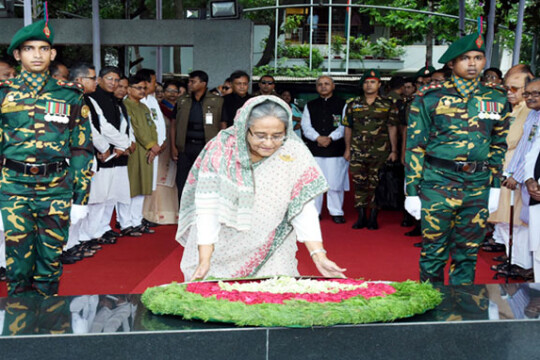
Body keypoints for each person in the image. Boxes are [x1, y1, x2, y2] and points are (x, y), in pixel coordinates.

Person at [177, 95, 346, 281]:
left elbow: (303, 206)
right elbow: (208, 209)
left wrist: (318, 255)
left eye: (277, 136)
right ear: (245, 128)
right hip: (219, 248)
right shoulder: (221, 151)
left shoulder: (293, 151)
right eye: (260, 136)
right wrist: (205, 259)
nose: (268, 143)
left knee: (273, 301)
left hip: (272, 245)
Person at [404, 32, 511, 285]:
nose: (473, 64)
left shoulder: (496, 98)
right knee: (433, 253)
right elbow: (416, 146)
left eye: (478, 57)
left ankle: (461, 312)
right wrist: (411, 190)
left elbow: (499, 144)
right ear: (452, 63)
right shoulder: (429, 97)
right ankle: (430, 310)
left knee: (467, 253)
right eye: (465, 58)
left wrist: (495, 186)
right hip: (437, 184)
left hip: (477, 185)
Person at [0, 20, 93, 295]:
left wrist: (80, 198)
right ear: (18, 55)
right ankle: (19, 332)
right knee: (17, 266)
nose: (37, 55)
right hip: (13, 187)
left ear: (52, 54)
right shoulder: (3, 94)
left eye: (43, 48)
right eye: (29, 49)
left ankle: (49, 329)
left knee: (50, 264)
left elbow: (81, 148)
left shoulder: (70, 94)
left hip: (56, 188)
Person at [487, 66, 534, 279]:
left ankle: (521, 263)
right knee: (506, 219)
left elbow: (524, 145)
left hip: (518, 173)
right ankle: (512, 258)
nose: (509, 93)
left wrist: (517, 173)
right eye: (507, 88)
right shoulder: (515, 109)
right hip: (506, 170)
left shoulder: (528, 110)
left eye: (515, 89)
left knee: (517, 221)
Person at [343, 69, 399, 230]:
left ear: (379, 84)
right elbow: (348, 128)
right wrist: (347, 149)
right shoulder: (353, 104)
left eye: (373, 82)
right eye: (366, 82)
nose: (369, 85)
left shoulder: (387, 104)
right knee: (359, 183)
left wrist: (394, 150)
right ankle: (361, 216)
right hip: (357, 150)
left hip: (380, 151)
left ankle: (373, 216)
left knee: (376, 184)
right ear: (363, 85)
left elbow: (392, 127)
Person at [301, 76, 349, 224]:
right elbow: (305, 126)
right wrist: (317, 138)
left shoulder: (343, 104)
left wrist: (331, 138)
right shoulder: (310, 105)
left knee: (335, 182)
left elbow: (345, 126)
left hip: (336, 149)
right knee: (315, 182)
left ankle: (336, 211)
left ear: (333, 86)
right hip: (315, 149)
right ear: (316, 87)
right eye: (320, 84)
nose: (323, 87)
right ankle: (315, 212)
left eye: (326, 84)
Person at [171, 70, 223, 204]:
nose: (189, 84)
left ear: (203, 83)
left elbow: (223, 125)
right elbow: (173, 124)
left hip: (206, 148)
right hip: (185, 147)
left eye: (193, 81)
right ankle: (184, 213)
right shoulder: (183, 100)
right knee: (182, 181)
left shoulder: (217, 101)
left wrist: (220, 148)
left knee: (206, 180)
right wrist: (173, 147)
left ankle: (203, 212)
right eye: (189, 81)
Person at [121, 75, 158, 236]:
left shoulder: (143, 107)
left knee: (143, 186)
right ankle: (125, 223)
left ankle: (136, 221)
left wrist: (154, 147)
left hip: (148, 150)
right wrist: (151, 145)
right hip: (135, 150)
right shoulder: (126, 105)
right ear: (128, 89)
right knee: (131, 186)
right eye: (138, 88)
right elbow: (136, 129)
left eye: (144, 88)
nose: (142, 91)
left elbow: (152, 128)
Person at [137, 68, 167, 229]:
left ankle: (141, 216)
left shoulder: (152, 100)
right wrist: (151, 146)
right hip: (144, 149)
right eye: (154, 82)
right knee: (138, 184)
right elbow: (139, 128)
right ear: (146, 82)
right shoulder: (136, 100)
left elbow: (159, 123)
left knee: (148, 184)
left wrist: (161, 142)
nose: (155, 86)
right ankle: (132, 219)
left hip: (155, 149)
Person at [522, 78, 540, 281]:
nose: (531, 98)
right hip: (536, 192)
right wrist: (528, 179)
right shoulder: (535, 117)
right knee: (538, 249)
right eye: (529, 93)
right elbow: (532, 152)